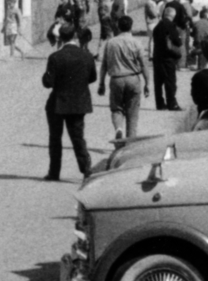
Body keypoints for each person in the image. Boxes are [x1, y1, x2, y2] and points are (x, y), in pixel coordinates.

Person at [42, 23, 96, 180]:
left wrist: (46, 75)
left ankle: (54, 172)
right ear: (74, 36)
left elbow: (48, 82)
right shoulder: (86, 56)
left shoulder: (55, 57)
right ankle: (86, 169)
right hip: (78, 102)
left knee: (55, 138)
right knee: (78, 137)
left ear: (60, 37)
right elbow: (92, 77)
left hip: (58, 102)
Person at [97, 15, 149, 143]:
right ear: (131, 27)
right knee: (132, 114)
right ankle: (130, 143)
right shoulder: (136, 43)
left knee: (117, 109)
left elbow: (104, 65)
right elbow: (143, 65)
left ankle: (118, 129)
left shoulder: (110, 43)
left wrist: (101, 83)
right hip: (133, 79)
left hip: (116, 79)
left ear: (118, 26)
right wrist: (147, 83)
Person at [150, 5, 183, 111]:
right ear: (173, 15)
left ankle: (160, 103)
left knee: (158, 82)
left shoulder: (157, 26)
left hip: (157, 57)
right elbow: (178, 41)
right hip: (168, 58)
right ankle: (172, 103)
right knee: (170, 81)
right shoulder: (171, 26)